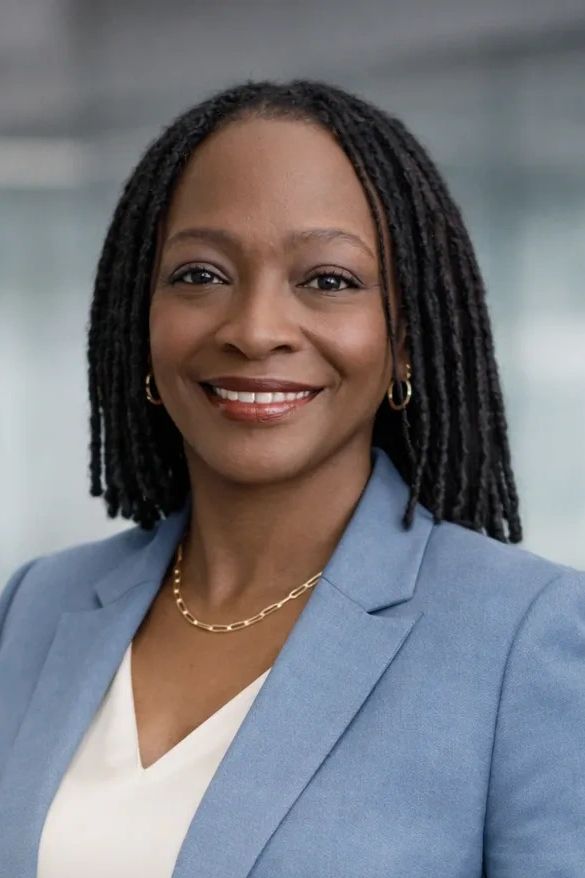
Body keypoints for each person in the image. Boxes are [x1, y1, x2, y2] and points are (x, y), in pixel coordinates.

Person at [0, 79, 583, 878]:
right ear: (139, 319)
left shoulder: (526, 636)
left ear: (405, 342)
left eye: (328, 280)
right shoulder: (36, 606)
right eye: (201, 275)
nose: (255, 330)